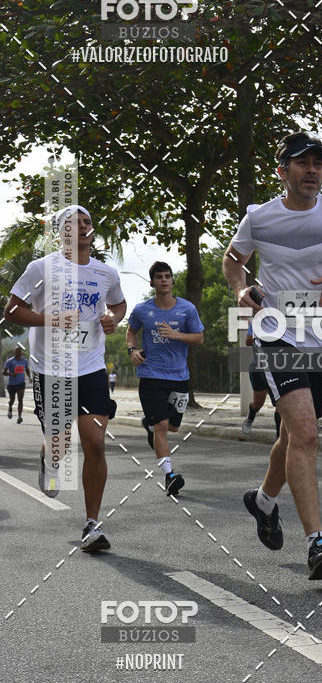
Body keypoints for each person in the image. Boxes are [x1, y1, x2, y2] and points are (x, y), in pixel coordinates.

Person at [223, 131, 322, 580]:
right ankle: (317, 542)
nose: (313, 170)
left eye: (318, 163)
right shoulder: (259, 218)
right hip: (276, 335)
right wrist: (241, 290)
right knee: (307, 433)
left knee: (294, 437)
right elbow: (232, 261)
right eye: (302, 163)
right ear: (283, 171)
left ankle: (263, 501)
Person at [4, 205, 126, 552]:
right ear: (61, 233)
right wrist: (51, 319)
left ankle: (91, 523)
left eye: (88, 221)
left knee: (95, 442)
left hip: (91, 368)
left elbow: (119, 304)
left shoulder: (105, 273)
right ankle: (50, 458)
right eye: (75, 222)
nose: (84, 226)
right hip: (49, 369)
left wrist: (112, 318)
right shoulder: (41, 268)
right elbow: (12, 311)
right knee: (58, 444)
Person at [126, 261, 204, 497]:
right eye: (159, 277)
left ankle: (149, 426)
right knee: (161, 426)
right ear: (152, 282)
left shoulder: (187, 309)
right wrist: (132, 350)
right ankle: (170, 476)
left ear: (172, 281)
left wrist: (175, 335)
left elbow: (198, 338)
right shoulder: (141, 310)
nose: (163, 280)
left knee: (173, 427)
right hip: (151, 375)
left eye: (167, 276)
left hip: (179, 376)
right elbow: (131, 331)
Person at [242, 322, 281, 437]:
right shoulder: (258, 321)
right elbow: (248, 341)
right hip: (258, 366)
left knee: (280, 403)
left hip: (279, 366)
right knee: (258, 403)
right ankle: (250, 418)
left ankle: (279, 438)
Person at [3, 345, 31, 423]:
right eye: (17, 351)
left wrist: (29, 377)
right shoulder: (10, 361)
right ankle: (10, 407)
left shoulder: (24, 361)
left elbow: (27, 370)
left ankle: (19, 417)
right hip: (11, 384)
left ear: (21, 352)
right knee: (12, 400)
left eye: (19, 351)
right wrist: (11, 374)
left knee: (20, 400)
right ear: (14, 352)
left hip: (21, 383)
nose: (18, 353)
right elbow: (4, 372)